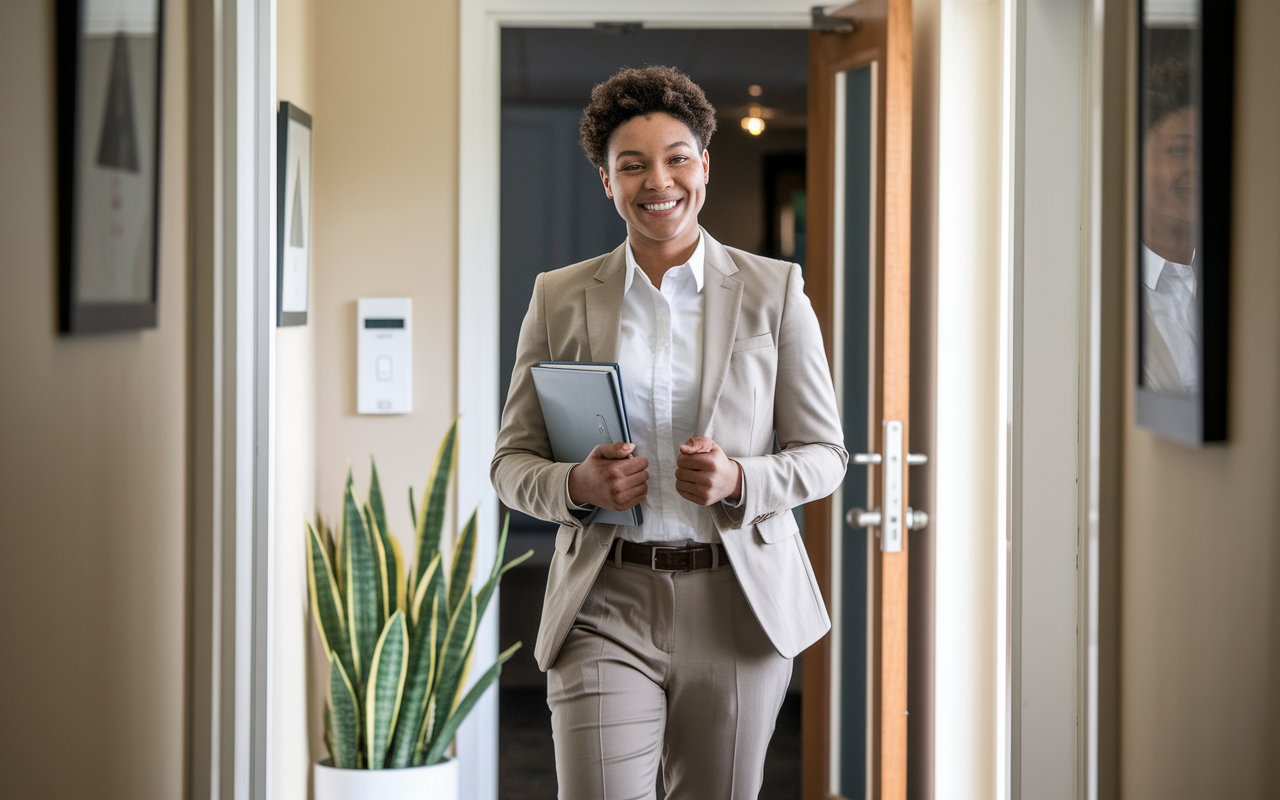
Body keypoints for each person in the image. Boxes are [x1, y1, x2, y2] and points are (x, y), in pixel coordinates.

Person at [490, 66, 847, 800]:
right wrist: (575, 486)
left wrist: (742, 479)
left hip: (736, 604)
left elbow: (825, 456)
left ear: (705, 165)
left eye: (678, 157)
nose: (660, 181)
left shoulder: (773, 291)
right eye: (633, 164)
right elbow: (510, 462)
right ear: (606, 179)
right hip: (604, 598)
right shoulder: (558, 296)